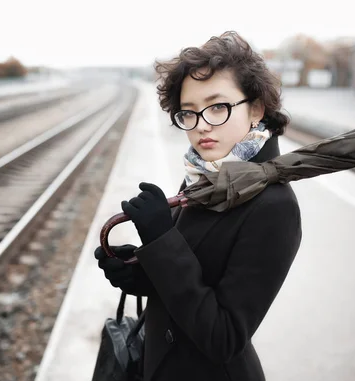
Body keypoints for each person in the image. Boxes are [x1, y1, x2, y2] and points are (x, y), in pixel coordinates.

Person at [94, 31, 303, 381]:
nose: (201, 125)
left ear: (256, 108)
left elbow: (223, 337)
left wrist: (161, 240)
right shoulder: (204, 176)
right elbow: (192, 279)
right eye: (188, 113)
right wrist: (139, 273)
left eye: (218, 107)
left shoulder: (274, 207)